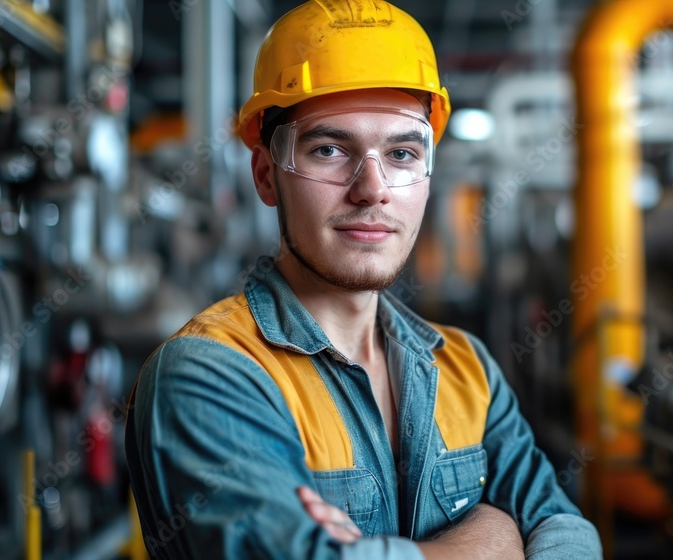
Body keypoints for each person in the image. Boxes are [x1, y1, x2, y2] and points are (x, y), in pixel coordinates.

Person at [124, 1, 601, 558]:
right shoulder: (208, 374)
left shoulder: (467, 370)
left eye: (401, 153)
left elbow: (567, 531)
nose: (372, 189)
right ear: (266, 176)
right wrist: (494, 535)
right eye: (329, 150)